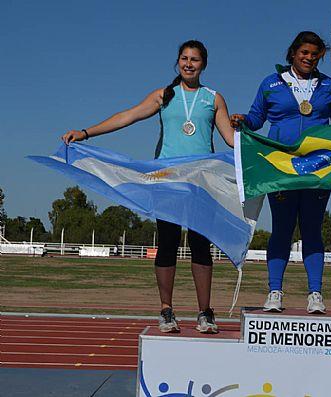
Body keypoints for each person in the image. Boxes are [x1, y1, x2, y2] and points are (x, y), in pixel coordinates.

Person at [61, 40, 235, 334]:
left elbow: (231, 139)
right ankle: (166, 311)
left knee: (200, 245)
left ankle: (205, 312)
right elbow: (127, 116)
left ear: (203, 64)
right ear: (177, 62)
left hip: (200, 181)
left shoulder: (213, 98)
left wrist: (255, 138)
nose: (188, 64)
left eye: (194, 59)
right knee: (167, 243)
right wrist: (86, 133)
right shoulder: (163, 95)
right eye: (184, 58)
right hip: (166, 178)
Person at [230, 31, 331, 314]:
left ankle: (315, 294)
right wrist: (244, 120)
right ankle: (274, 292)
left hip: (318, 168)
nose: (309, 57)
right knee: (282, 229)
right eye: (304, 52)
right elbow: (257, 118)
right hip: (280, 168)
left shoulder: (327, 85)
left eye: (315, 54)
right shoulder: (270, 83)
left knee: (312, 230)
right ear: (293, 53)